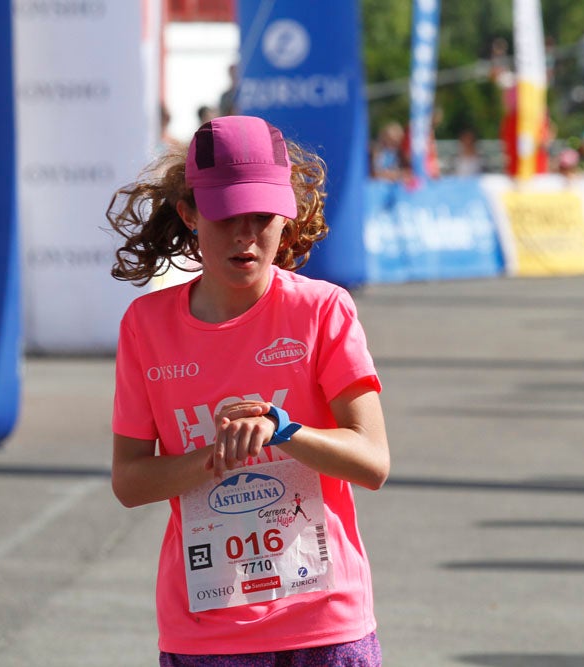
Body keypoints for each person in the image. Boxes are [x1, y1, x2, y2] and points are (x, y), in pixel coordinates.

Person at [106, 115, 390, 666]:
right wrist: (216, 457)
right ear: (189, 213)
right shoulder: (146, 325)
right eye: (226, 213)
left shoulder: (322, 310)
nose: (246, 234)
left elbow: (373, 461)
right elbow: (130, 480)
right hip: (207, 637)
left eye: (263, 215)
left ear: (288, 216)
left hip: (325, 627)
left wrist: (285, 431)